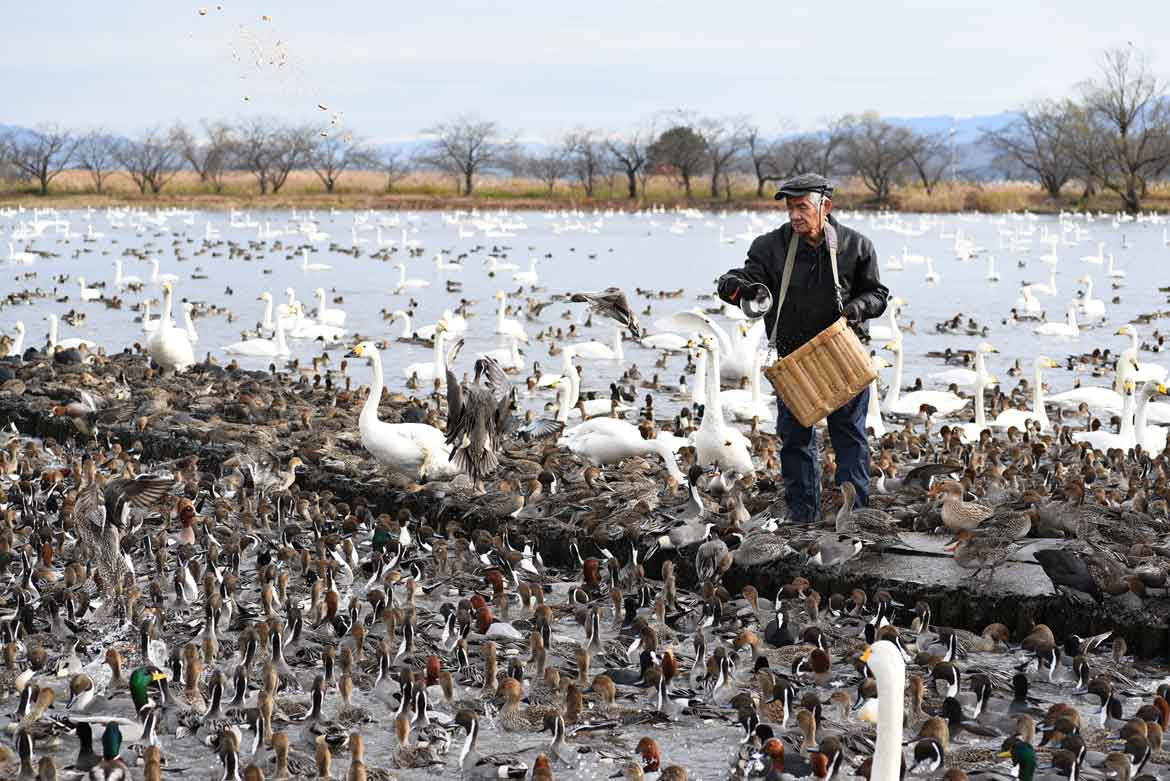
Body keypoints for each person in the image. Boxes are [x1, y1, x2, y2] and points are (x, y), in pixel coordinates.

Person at [716, 174, 889, 524]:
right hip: (793, 359)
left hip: (843, 355)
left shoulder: (857, 246)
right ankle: (802, 517)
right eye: (790, 208)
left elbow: (878, 296)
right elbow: (740, 280)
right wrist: (737, 289)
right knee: (795, 440)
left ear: (826, 207)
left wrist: (856, 309)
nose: (794, 216)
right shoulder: (769, 247)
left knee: (851, 438)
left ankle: (853, 518)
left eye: (802, 208)